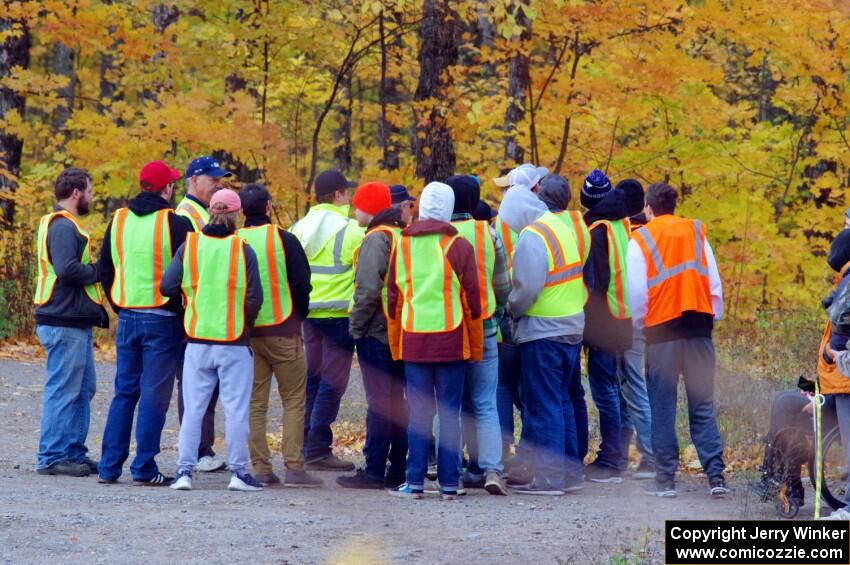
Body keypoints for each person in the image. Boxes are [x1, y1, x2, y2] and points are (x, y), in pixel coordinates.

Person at [627, 182, 727, 498]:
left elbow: (637, 292)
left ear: (649, 207)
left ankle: (666, 479)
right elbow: (714, 283)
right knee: (703, 404)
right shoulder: (697, 232)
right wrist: (709, 317)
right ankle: (716, 476)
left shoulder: (641, 238)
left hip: (661, 333)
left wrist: (641, 324)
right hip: (699, 328)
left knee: (662, 406)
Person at [161, 189, 264, 492]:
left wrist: (190, 301)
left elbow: (168, 285)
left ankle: (183, 472)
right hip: (233, 341)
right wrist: (243, 322)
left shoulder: (189, 246)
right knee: (236, 409)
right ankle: (240, 473)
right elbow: (255, 297)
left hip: (196, 339)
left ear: (209, 211)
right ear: (237, 214)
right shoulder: (242, 249)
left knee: (193, 409)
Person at [386, 181, 483, 500]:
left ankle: (414, 483)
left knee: (418, 414)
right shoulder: (459, 245)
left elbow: (393, 297)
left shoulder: (402, 243)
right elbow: (472, 300)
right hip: (451, 339)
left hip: (415, 339)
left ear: (422, 206)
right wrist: (476, 345)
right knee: (451, 413)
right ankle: (450, 485)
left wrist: (396, 340)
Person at [96, 161, 190, 486]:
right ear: (166, 189)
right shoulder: (176, 223)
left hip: (128, 318)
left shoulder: (118, 220)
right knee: (154, 395)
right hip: (163, 320)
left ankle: (109, 467)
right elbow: (189, 273)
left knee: (124, 392)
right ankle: (144, 467)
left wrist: (119, 305)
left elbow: (103, 269)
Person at [498, 187, 586, 496]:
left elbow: (527, 289)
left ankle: (549, 478)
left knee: (544, 403)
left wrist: (510, 307)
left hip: (544, 329)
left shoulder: (533, 236)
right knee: (561, 401)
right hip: (571, 325)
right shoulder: (559, 226)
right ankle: (570, 471)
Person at [237, 184, 322, 488]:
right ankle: (295, 467)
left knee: (255, 402)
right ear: (269, 208)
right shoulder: (285, 240)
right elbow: (302, 284)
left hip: (246, 334)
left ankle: (261, 468)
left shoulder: (235, 242)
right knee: (294, 400)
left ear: (242, 212)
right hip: (285, 330)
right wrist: (299, 316)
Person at [33, 167, 108, 477]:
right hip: (62, 319)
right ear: (76, 193)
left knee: (83, 387)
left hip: (69, 318)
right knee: (64, 389)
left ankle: (73, 452)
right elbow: (67, 269)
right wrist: (100, 270)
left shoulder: (61, 224)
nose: (91, 196)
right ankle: (51, 456)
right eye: (89, 191)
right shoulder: (63, 227)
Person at [291, 170, 364, 471]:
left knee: (314, 380)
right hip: (338, 315)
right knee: (333, 383)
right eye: (346, 192)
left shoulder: (298, 227)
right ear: (337, 195)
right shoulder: (351, 229)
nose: (348, 197)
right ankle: (317, 448)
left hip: (308, 316)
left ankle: (307, 442)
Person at [338, 182, 409, 490]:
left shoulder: (375, 239)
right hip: (402, 331)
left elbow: (367, 291)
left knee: (380, 403)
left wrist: (356, 328)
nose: (355, 211)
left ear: (370, 209)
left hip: (377, 333)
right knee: (398, 402)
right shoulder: (402, 235)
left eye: (358, 206)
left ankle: (375, 469)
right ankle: (398, 468)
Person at [447, 174, 510, 495]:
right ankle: (492, 470)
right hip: (484, 326)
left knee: (450, 403)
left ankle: (450, 469)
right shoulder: (489, 233)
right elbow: (502, 284)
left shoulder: (440, 235)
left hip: (450, 329)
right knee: (486, 402)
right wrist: (496, 314)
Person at [174, 155, 233, 473]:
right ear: (194, 180)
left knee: (204, 385)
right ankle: (198, 449)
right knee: (196, 386)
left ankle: (201, 447)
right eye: (212, 179)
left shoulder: (200, 212)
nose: (218, 184)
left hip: (206, 310)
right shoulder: (188, 215)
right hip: (196, 311)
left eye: (219, 179)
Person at [579, 169, 637, 483]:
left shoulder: (597, 231)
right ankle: (618, 454)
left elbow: (595, 285)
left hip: (603, 321)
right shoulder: (622, 224)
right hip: (624, 316)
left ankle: (612, 458)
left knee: (605, 392)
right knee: (616, 389)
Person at [536, 174, 589, 466]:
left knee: (550, 400)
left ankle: (556, 469)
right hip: (575, 318)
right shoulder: (580, 227)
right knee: (569, 396)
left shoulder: (543, 230)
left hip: (547, 321)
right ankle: (573, 462)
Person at [615, 179, 655, 480]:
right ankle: (636, 451)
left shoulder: (626, 232)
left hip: (628, 317)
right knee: (632, 384)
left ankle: (647, 454)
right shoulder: (652, 232)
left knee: (630, 385)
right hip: (652, 316)